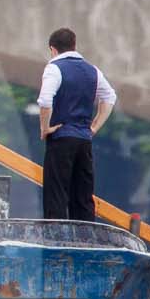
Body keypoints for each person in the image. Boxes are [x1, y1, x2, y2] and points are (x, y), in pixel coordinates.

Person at [37, 26, 117, 222]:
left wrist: (45, 128)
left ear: (52, 49)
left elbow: (46, 101)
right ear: (74, 46)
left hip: (61, 137)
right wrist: (94, 127)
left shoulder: (54, 68)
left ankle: (55, 239)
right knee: (83, 195)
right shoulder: (92, 71)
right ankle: (86, 239)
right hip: (84, 140)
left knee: (56, 193)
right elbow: (110, 97)